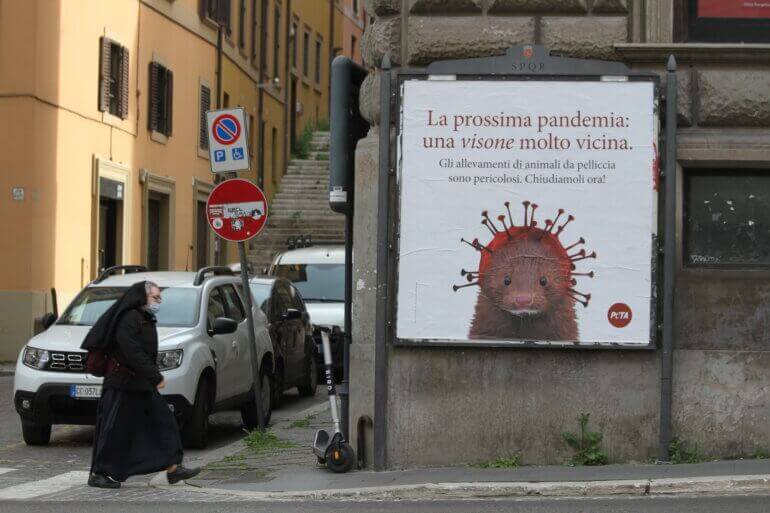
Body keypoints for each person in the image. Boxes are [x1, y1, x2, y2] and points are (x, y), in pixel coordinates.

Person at [84, 280, 200, 488]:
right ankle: (100, 473)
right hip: (122, 385)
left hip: (140, 383)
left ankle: (173, 467)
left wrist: (151, 377)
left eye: (159, 297)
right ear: (141, 297)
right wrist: (155, 376)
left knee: (163, 422)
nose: (159, 301)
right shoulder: (128, 319)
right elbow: (132, 352)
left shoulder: (144, 318)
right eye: (155, 297)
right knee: (114, 431)